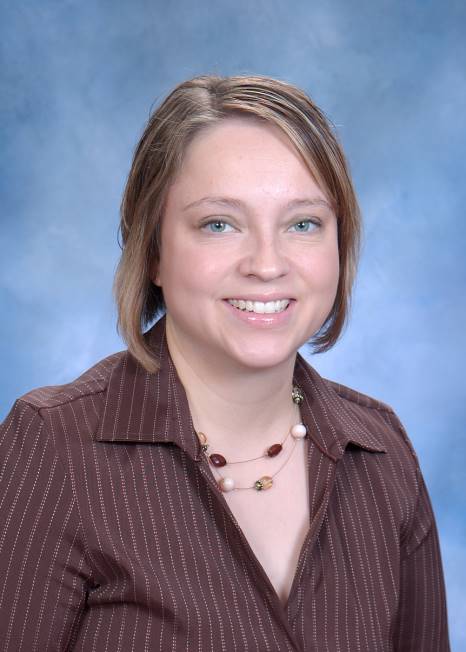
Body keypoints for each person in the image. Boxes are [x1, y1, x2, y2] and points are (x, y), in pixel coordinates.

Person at [0, 75, 450, 651]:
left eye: (303, 223)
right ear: (153, 250)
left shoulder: (383, 455)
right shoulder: (54, 446)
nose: (267, 264)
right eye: (219, 224)